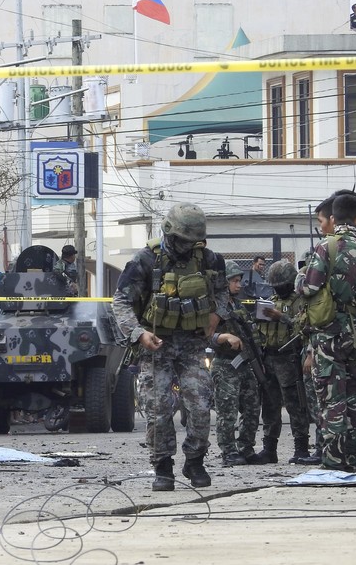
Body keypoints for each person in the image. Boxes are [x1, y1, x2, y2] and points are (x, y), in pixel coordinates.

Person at [112, 203, 229, 491]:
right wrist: (138, 334)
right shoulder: (145, 261)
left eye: (195, 241)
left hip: (192, 343)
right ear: (170, 233)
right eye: (185, 240)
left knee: (201, 406)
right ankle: (163, 466)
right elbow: (121, 302)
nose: (190, 246)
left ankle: (195, 460)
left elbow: (223, 292)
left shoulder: (210, 260)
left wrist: (217, 315)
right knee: (158, 409)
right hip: (157, 344)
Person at [299, 191, 356, 472]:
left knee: (331, 398)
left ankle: (335, 460)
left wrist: (300, 278)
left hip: (328, 336)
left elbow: (309, 289)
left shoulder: (326, 248)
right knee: (355, 397)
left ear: (334, 218)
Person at [256, 260, 316, 465]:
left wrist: (281, 318)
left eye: (281, 286)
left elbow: (304, 328)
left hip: (289, 358)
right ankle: (269, 449)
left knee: (295, 404)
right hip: (269, 356)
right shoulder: (270, 301)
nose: (278, 289)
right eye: (275, 286)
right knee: (270, 405)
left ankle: (301, 448)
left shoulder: (301, 302)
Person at [209, 261, 262, 466]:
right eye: (235, 281)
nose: (239, 285)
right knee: (227, 410)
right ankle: (229, 451)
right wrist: (224, 337)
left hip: (244, 364)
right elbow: (206, 335)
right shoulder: (215, 308)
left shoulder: (238, 306)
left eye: (240, 281)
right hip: (225, 365)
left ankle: (246, 448)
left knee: (252, 406)